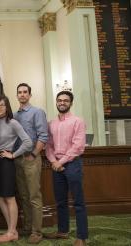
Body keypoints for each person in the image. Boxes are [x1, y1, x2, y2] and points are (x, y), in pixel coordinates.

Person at [44, 91, 88, 246]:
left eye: (65, 100)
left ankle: (81, 237)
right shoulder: (51, 124)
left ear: (71, 103)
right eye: (59, 100)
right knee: (60, 201)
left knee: (78, 202)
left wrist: (60, 162)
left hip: (72, 164)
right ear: (56, 102)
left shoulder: (78, 121)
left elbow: (78, 147)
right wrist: (53, 161)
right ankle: (63, 231)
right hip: (57, 166)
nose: (62, 103)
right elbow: (48, 146)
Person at [0, 95, 32, 243]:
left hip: (6, 161)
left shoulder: (13, 122)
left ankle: (12, 231)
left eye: (2, 105)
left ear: (7, 107)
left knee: (9, 197)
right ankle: (11, 229)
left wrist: (13, 154)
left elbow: (28, 142)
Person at [13, 83, 48, 244]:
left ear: (30, 94)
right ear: (17, 95)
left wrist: (34, 154)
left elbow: (43, 136)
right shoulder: (14, 115)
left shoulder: (37, 112)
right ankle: (27, 227)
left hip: (31, 158)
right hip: (18, 159)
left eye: (25, 92)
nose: (22, 95)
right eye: (19, 92)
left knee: (34, 195)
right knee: (24, 195)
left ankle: (37, 232)